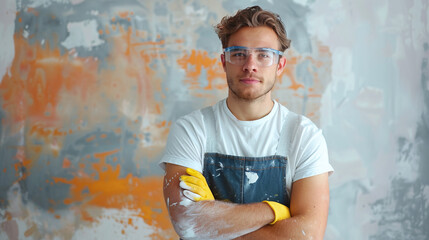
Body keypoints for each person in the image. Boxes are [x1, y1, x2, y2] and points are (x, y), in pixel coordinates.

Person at [160, 5, 334, 239]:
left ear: (279, 65)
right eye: (239, 54)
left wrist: (213, 224)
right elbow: (188, 223)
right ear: (224, 61)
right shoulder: (192, 130)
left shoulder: (304, 136)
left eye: (263, 55)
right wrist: (273, 211)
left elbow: (307, 235)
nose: (250, 65)